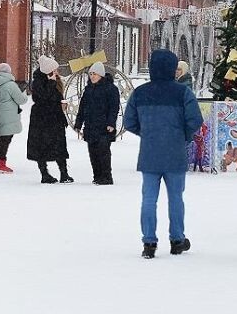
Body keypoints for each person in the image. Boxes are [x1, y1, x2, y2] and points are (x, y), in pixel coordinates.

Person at [123, 49, 203, 260]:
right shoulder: (183, 93)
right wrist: (182, 135)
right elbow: (195, 120)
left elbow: (128, 121)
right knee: (176, 198)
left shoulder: (140, 93)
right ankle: (177, 239)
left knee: (149, 199)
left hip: (149, 153)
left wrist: (147, 132)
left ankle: (149, 241)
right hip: (175, 153)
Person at [27, 56, 73, 184]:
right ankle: (44, 174)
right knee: (41, 147)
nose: (57, 72)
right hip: (42, 119)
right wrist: (51, 83)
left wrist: (61, 105)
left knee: (59, 146)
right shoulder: (38, 82)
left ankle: (64, 173)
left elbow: (55, 97)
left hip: (55, 118)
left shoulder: (55, 81)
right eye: (55, 70)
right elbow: (42, 98)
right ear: (49, 71)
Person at [74, 61, 121, 185]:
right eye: (90, 74)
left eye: (94, 74)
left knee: (103, 152)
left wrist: (111, 123)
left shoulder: (111, 89)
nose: (92, 76)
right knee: (93, 152)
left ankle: (106, 177)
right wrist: (79, 123)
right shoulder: (88, 89)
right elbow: (82, 108)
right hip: (90, 126)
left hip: (104, 127)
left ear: (101, 74)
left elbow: (114, 108)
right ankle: (97, 176)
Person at [0, 62, 27, 174]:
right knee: (5, 141)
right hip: (8, 118)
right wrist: (25, 94)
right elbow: (21, 100)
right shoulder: (11, 85)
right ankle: (1, 164)